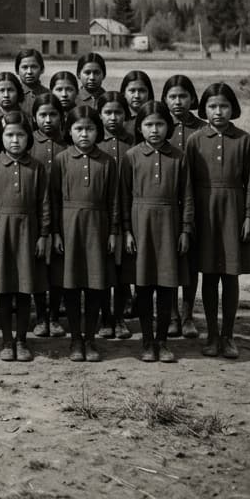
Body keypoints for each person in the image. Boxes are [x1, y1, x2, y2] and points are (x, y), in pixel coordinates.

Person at [187, 83, 250, 360]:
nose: (218, 112)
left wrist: (249, 216)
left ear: (233, 109)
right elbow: (188, 184)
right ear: (204, 109)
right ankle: (212, 335)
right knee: (209, 274)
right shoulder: (195, 140)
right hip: (205, 214)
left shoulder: (244, 139)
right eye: (212, 106)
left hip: (233, 212)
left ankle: (228, 336)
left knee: (230, 274)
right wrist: (190, 220)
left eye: (224, 106)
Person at [119, 100, 193, 364]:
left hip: (169, 227)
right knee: (144, 285)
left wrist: (185, 230)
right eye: (148, 124)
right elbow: (124, 198)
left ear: (168, 126)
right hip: (141, 227)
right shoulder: (131, 156)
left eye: (160, 124)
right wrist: (127, 231)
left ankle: (163, 341)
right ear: (139, 127)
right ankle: (147, 341)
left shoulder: (179, 157)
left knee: (166, 287)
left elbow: (187, 196)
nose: (154, 130)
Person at [0, 110, 51, 362]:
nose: (15, 140)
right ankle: (6, 341)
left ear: (28, 138)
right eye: (9, 135)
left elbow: (44, 203)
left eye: (20, 135)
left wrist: (43, 235)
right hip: (1, 231)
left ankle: (22, 340)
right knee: (3, 289)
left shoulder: (37, 167)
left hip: (28, 232)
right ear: (2, 137)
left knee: (24, 288)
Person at [50, 106, 118, 362]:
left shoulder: (107, 161)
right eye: (79, 129)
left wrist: (113, 232)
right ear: (69, 131)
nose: (84, 134)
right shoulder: (61, 160)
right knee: (72, 285)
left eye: (90, 129)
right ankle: (75, 339)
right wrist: (55, 232)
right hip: (69, 228)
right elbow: (53, 200)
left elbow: (114, 201)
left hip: (98, 228)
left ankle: (90, 339)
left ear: (98, 131)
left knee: (95, 286)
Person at [162, 74, 203, 338]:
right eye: (172, 97)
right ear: (164, 100)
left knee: (190, 260)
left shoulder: (202, 128)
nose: (177, 102)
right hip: (165, 203)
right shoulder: (158, 126)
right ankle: (172, 316)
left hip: (194, 202)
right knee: (168, 259)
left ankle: (188, 316)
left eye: (183, 96)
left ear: (192, 98)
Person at [95, 91, 134, 340]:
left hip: (128, 214)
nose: (112, 117)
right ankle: (104, 317)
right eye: (107, 113)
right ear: (99, 115)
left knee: (121, 270)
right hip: (101, 214)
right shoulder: (93, 143)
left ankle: (119, 317)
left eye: (118, 112)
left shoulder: (134, 143)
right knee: (101, 268)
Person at [30, 93, 67, 338]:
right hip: (35, 214)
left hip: (64, 214)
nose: (48, 120)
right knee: (38, 267)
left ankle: (55, 315)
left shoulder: (69, 142)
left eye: (53, 115)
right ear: (34, 117)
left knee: (58, 268)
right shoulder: (28, 143)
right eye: (42, 115)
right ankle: (40, 315)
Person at [120, 70, 155, 141]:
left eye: (142, 91)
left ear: (149, 93)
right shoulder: (119, 121)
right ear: (124, 93)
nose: (137, 96)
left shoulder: (156, 119)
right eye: (132, 91)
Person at [14, 48, 46, 115]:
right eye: (25, 67)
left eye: (34, 67)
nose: (29, 72)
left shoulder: (48, 94)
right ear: (17, 70)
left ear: (42, 69)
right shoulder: (13, 95)